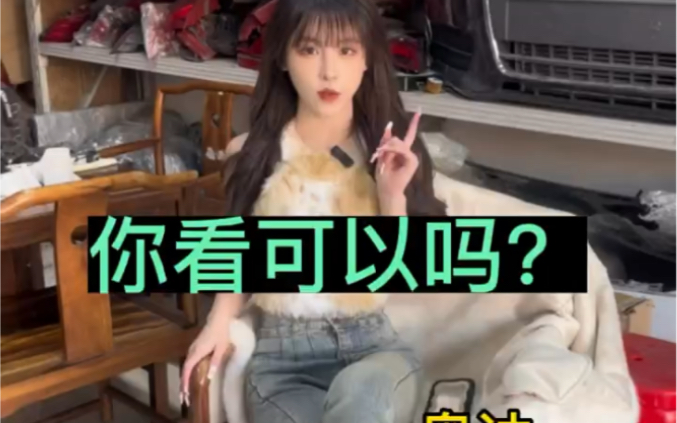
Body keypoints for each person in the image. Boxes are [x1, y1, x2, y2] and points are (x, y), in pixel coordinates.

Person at [180, 0, 446, 421]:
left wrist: (392, 196)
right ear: (283, 58)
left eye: (346, 50)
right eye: (309, 50)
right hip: (284, 364)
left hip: (374, 352)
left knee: (360, 395)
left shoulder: (391, 157)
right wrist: (216, 323)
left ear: (366, 60)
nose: (329, 72)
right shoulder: (253, 154)